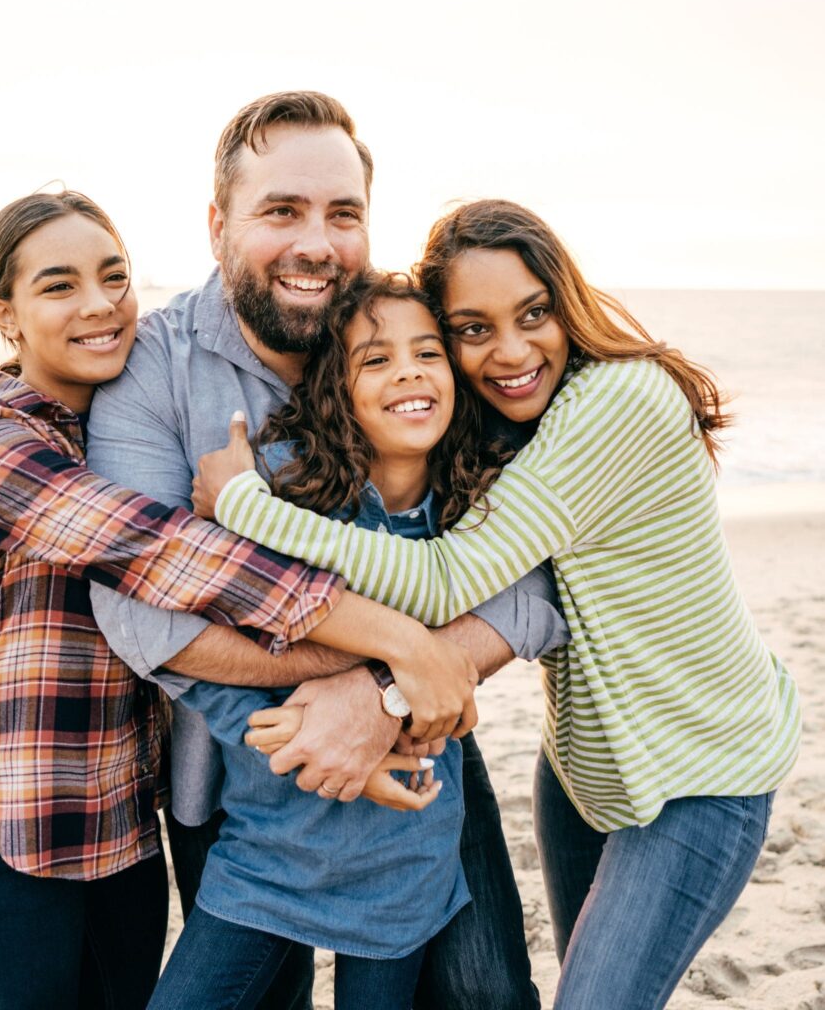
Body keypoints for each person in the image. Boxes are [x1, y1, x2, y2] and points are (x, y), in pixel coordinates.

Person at [197, 198, 802, 1010]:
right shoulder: (517, 421)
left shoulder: (615, 402)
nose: (511, 351)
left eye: (534, 314)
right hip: (585, 772)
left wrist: (244, 503)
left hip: (701, 772)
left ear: (567, 303)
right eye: (473, 331)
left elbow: (447, 580)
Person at [0, 190, 477, 1010]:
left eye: (114, 276)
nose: (101, 305)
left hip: (122, 815)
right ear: (6, 315)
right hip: (0, 821)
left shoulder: (113, 417)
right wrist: (403, 642)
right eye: (59, 286)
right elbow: (162, 552)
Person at [89, 93, 554, 1009]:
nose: (317, 241)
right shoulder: (157, 366)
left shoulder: (411, 338)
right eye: (282, 211)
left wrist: (383, 693)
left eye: (343, 214)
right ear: (219, 223)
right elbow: (138, 606)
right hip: (237, 781)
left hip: (419, 761)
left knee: (486, 996)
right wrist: (394, 647)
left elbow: (529, 576)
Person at [150, 270, 557, 1009]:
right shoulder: (275, 491)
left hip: (408, 848)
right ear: (334, 387)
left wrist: (389, 717)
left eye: (427, 352)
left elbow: (511, 623)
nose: (406, 369)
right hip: (270, 850)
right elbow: (198, 647)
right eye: (374, 359)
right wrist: (284, 736)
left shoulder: (479, 517)